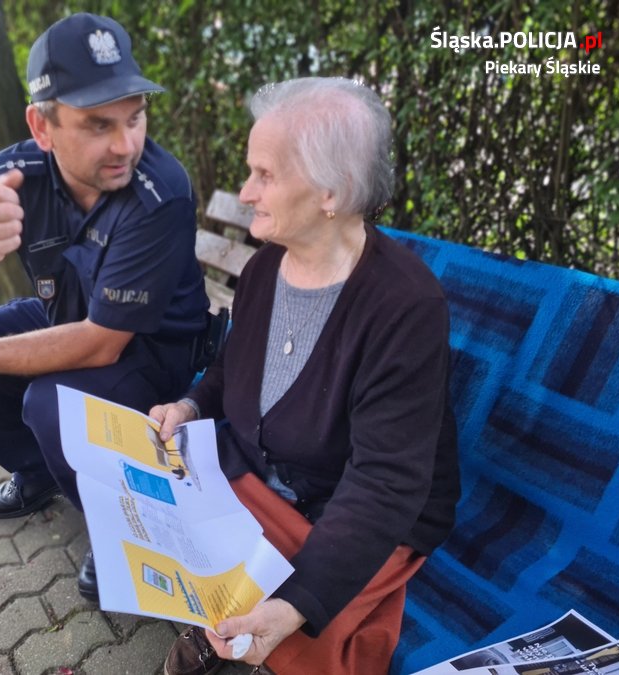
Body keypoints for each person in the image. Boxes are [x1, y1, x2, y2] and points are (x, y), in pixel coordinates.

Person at [150, 77, 460, 674]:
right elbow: (229, 369)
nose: (244, 193)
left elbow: (385, 482)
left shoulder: (405, 305)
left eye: (265, 176)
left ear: (331, 192)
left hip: (357, 508)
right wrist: (190, 406)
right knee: (166, 527)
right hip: (264, 480)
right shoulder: (267, 266)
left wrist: (297, 603)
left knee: (297, 626)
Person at [0, 13, 209, 602]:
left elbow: (101, 343)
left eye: (134, 118)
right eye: (97, 124)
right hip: (62, 318)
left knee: (45, 400)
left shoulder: (159, 191)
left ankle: (123, 531)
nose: (125, 144)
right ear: (42, 127)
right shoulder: (14, 174)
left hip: (158, 352)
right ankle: (41, 469)